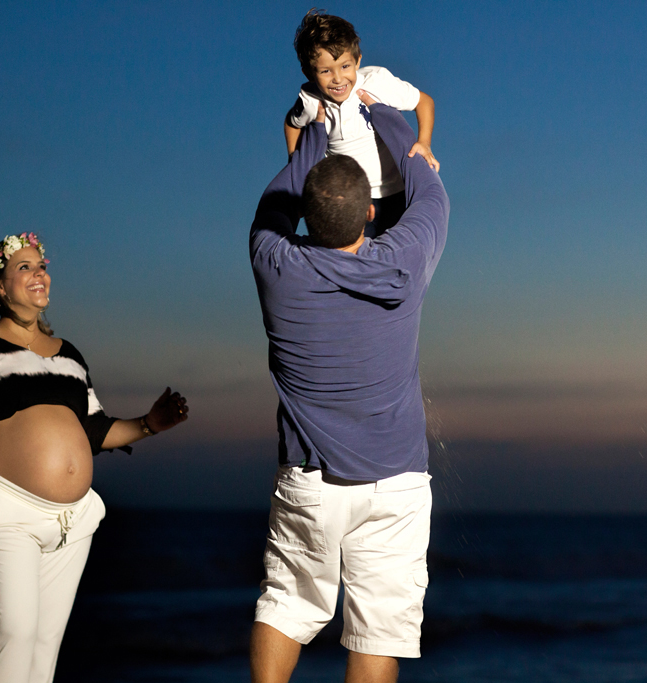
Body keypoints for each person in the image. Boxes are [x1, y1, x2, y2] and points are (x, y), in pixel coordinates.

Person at [248, 90, 449, 683]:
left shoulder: (273, 265)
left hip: (310, 480)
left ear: (308, 216)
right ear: (369, 213)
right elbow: (430, 190)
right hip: (396, 484)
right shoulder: (403, 264)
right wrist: (384, 116)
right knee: (377, 632)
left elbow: (276, 198)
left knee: (286, 604)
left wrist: (315, 124)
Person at [0, 232, 188, 683]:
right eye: (25, 268)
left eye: (41, 266)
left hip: (72, 522)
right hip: (5, 513)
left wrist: (150, 423)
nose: (39, 274)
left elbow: (94, 429)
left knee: (45, 646)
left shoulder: (70, 355)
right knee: (16, 630)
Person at [283, 10, 439, 238]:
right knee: (352, 260)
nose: (338, 78)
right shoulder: (310, 100)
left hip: (393, 189)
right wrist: (295, 163)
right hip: (347, 198)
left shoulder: (376, 82)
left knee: (394, 255)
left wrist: (424, 142)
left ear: (357, 60)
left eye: (345, 66)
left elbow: (424, 101)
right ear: (308, 72)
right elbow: (292, 124)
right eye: (326, 71)